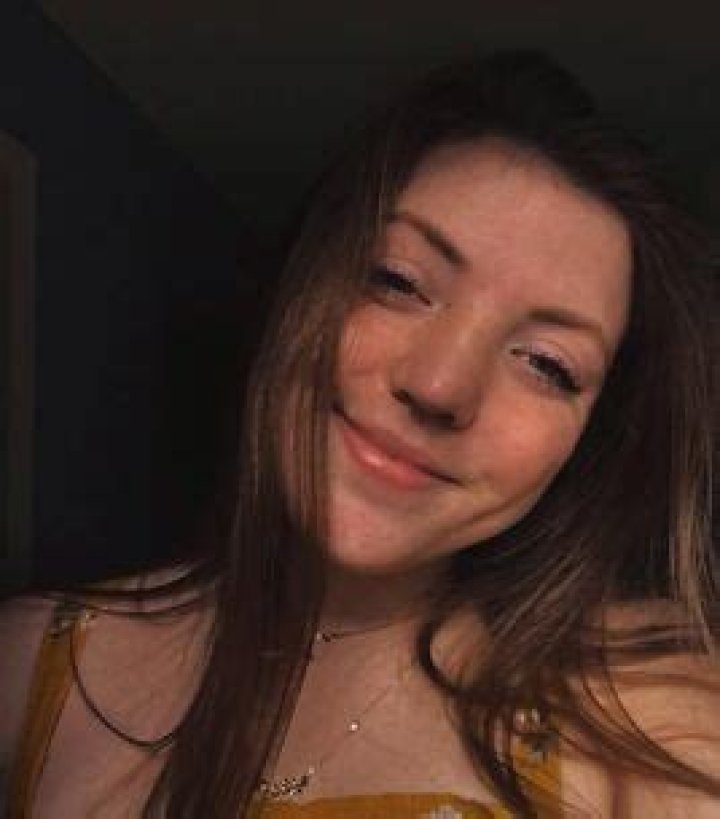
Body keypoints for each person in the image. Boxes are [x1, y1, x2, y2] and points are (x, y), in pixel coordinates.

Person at [1, 50, 718, 818]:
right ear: (301, 282)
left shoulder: (655, 727)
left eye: (547, 363)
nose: (440, 385)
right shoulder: (27, 663)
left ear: (586, 445)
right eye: (396, 280)